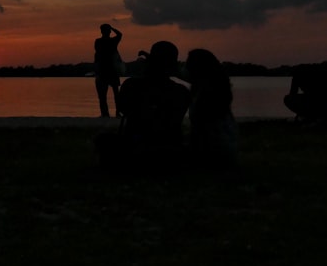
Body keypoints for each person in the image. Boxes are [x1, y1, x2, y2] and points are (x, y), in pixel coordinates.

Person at [96, 40, 190, 171]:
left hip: (136, 145)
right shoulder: (182, 92)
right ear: (173, 64)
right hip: (168, 148)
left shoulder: (131, 86)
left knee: (104, 140)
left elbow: (124, 109)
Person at [184, 48, 237, 168]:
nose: (185, 67)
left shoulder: (208, 94)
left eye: (188, 64)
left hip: (215, 150)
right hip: (224, 148)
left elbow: (202, 132)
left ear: (196, 69)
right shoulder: (215, 86)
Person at [93, 24, 124, 118]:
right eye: (108, 30)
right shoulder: (112, 41)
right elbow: (119, 34)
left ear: (101, 31)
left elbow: (97, 55)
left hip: (106, 70)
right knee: (114, 94)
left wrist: (96, 68)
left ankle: (106, 113)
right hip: (109, 70)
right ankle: (115, 113)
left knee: (104, 95)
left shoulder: (99, 41)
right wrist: (112, 28)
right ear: (109, 31)